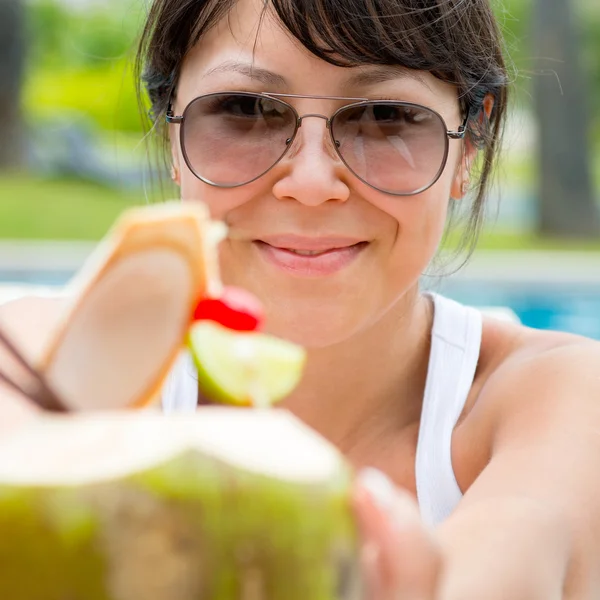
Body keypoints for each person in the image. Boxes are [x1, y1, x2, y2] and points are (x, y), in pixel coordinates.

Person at [2, 0, 600, 597]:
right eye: (244, 110)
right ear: (171, 128)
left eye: (386, 114)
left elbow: (524, 542)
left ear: (469, 143)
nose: (312, 185)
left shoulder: (555, 396)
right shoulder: (35, 361)